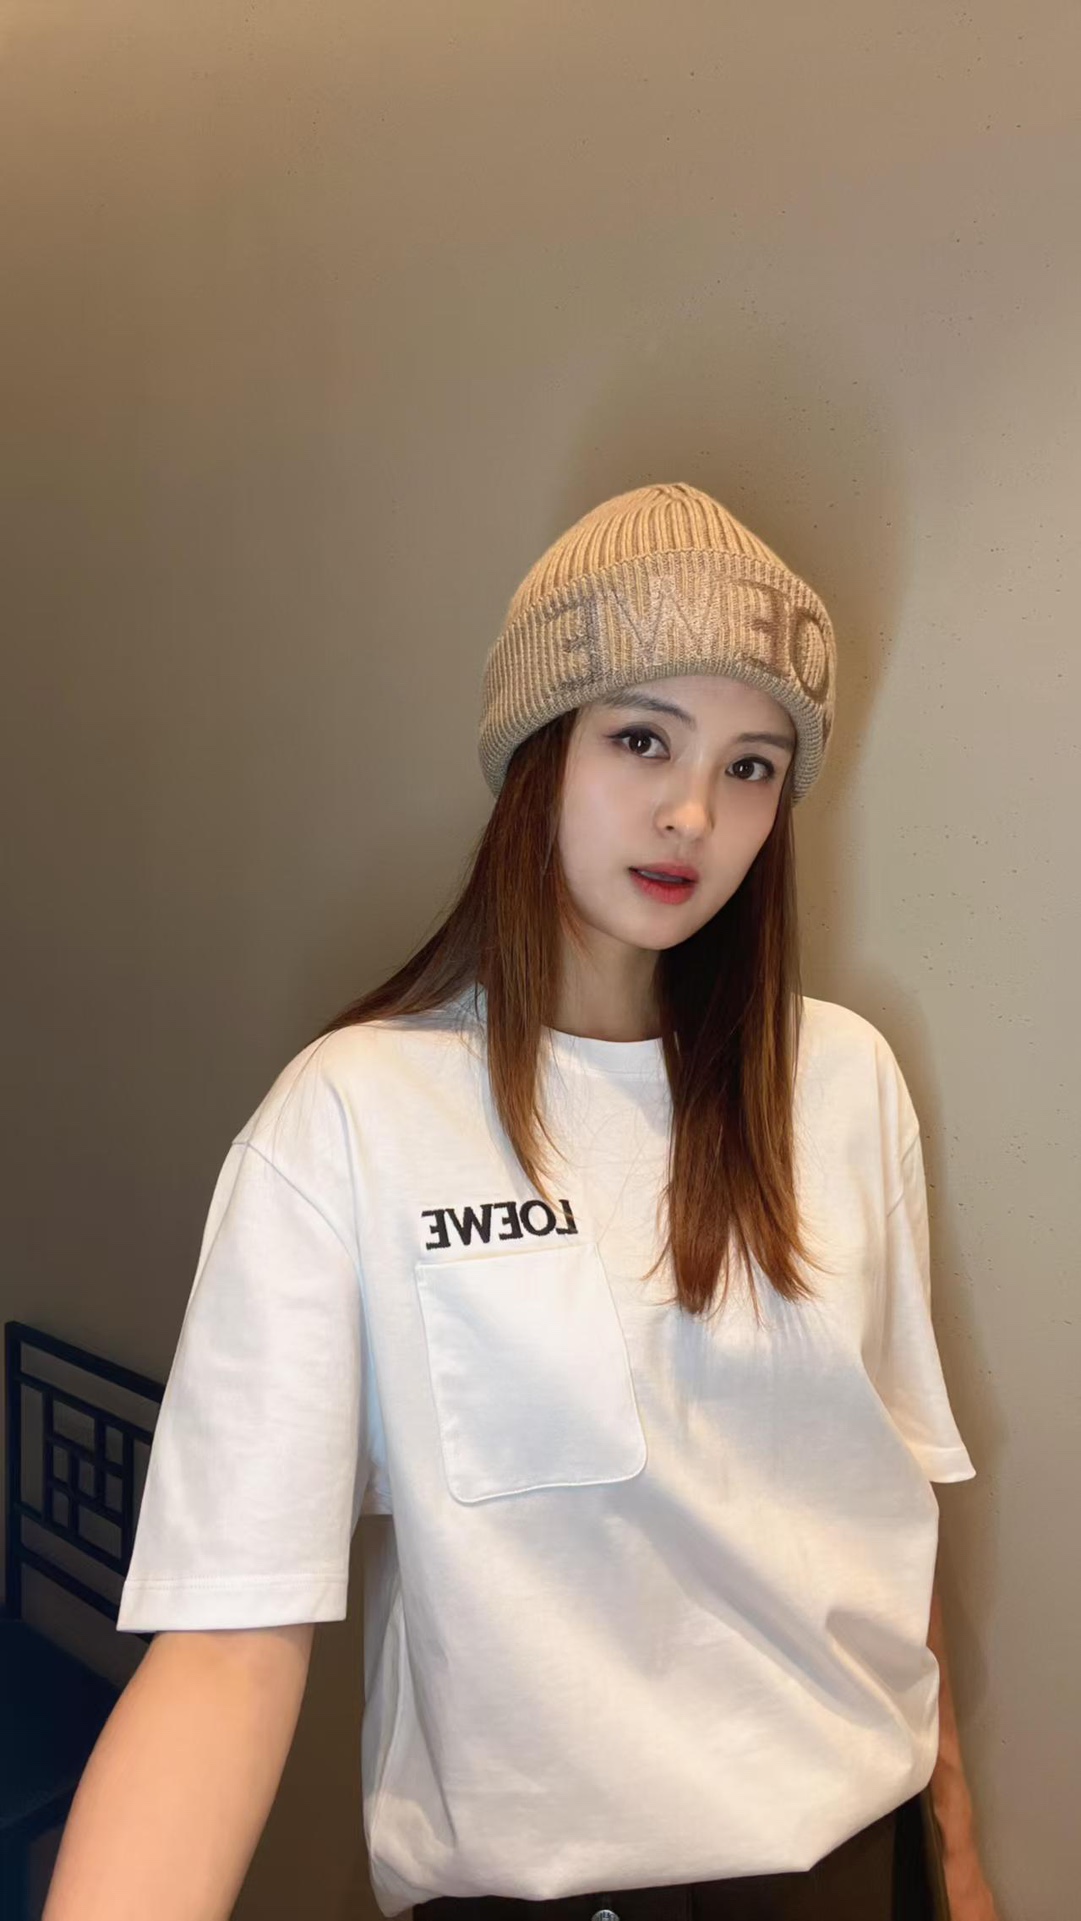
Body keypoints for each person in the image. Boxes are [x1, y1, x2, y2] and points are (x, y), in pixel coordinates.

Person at [44, 482, 993, 1921]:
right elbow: (229, 1641)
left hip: (864, 1862)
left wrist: (961, 1864)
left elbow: (884, 1508)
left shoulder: (844, 1083)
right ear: (536, 751)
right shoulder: (354, 1117)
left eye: (750, 767)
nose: (693, 812)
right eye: (640, 739)